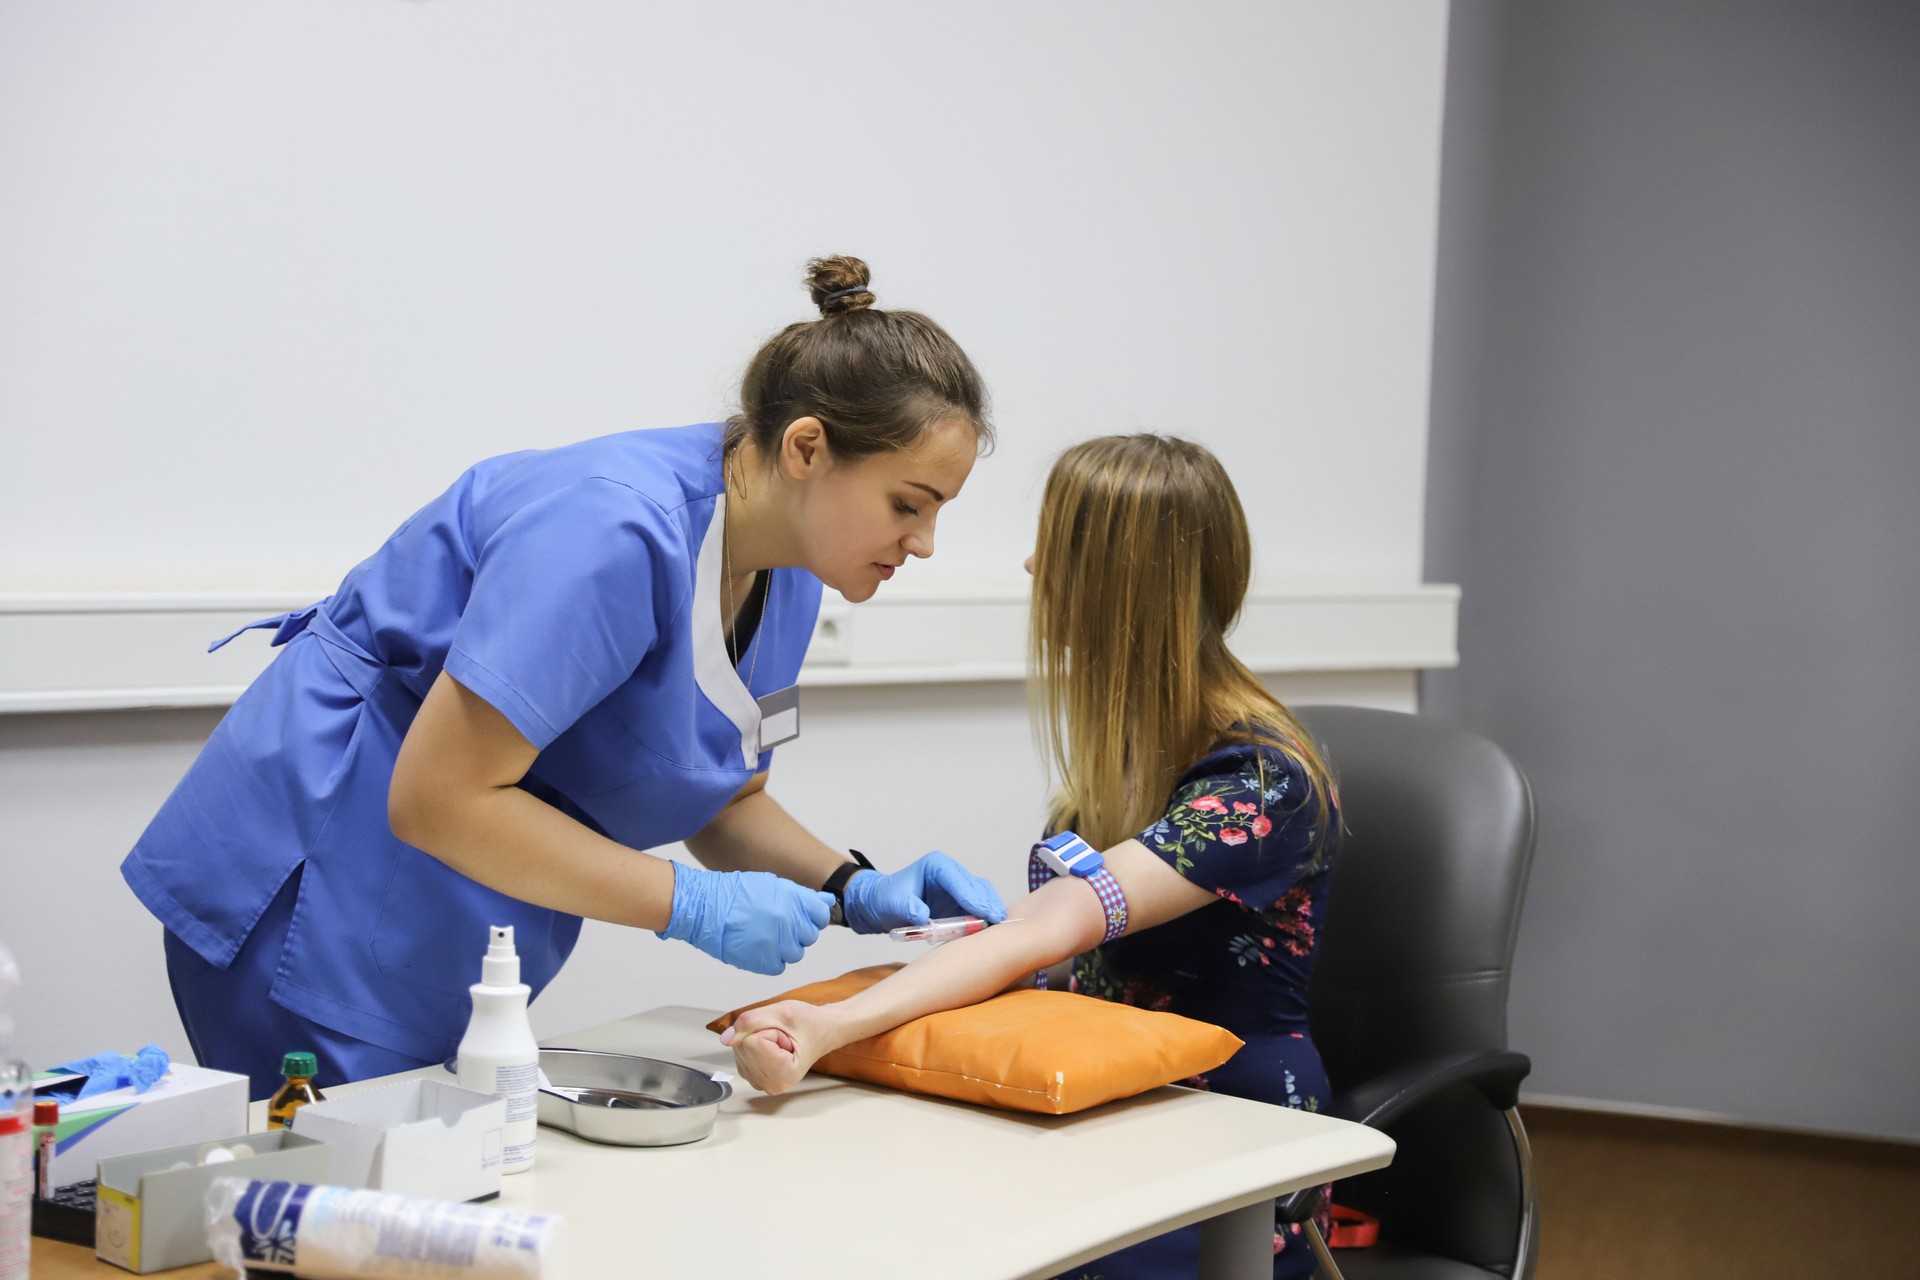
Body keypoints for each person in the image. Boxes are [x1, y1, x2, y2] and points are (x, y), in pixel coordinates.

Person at [125, 257, 1007, 1098]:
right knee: (342, 1209)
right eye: (908, 504)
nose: (923, 544)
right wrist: (688, 904)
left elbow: (722, 798)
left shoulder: (792, 571)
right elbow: (439, 800)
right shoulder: (612, 531)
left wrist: (850, 888)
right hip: (326, 876)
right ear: (808, 449)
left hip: (449, 899)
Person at [724, 433, 1341, 1279]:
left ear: (1115, 583)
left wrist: (828, 1028)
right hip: (1115, 1106)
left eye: (1055, 545)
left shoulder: (1262, 782)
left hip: (1231, 1148)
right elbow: (1071, 952)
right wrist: (953, 942)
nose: (1028, 567)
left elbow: (1058, 921)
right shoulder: (1126, 764)